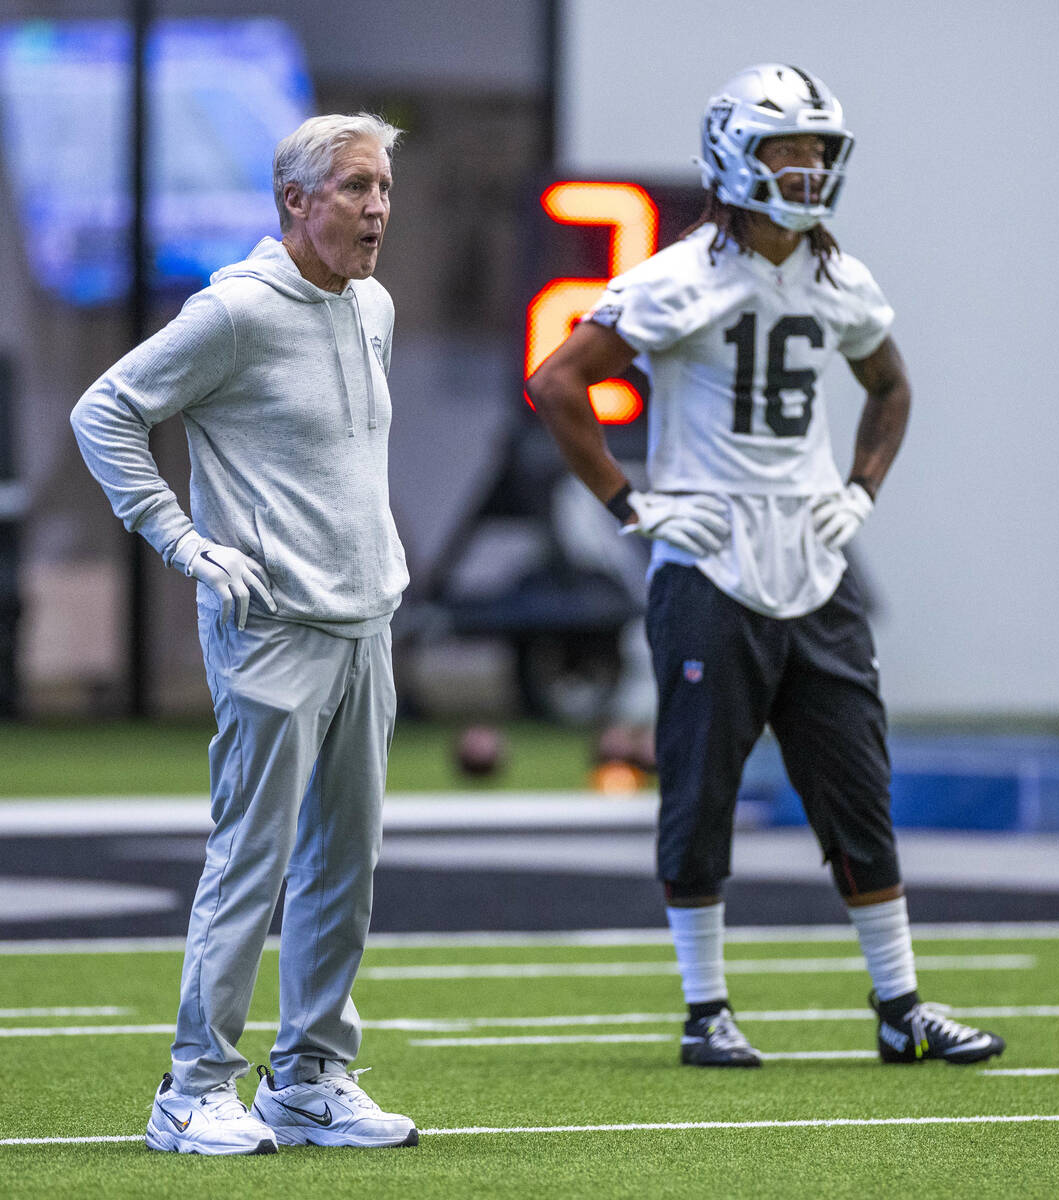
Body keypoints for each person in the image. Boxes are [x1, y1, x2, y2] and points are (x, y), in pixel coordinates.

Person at [526, 64, 1005, 1069]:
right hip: (708, 564)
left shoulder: (843, 278)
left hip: (814, 561)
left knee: (856, 786)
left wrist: (859, 490)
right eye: (788, 149)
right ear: (735, 156)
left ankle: (898, 1003)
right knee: (699, 789)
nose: (807, 168)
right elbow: (558, 383)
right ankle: (706, 1010)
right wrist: (631, 505)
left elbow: (890, 388)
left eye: (819, 151)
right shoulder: (674, 277)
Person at [71, 113, 418, 1154]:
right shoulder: (233, 314)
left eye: (384, 189)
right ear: (296, 202)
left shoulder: (374, 306)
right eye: (355, 188)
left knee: (344, 865)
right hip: (269, 629)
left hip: (367, 626)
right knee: (251, 860)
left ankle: (310, 1076)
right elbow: (105, 412)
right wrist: (185, 543)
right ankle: (190, 1090)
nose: (376, 209)